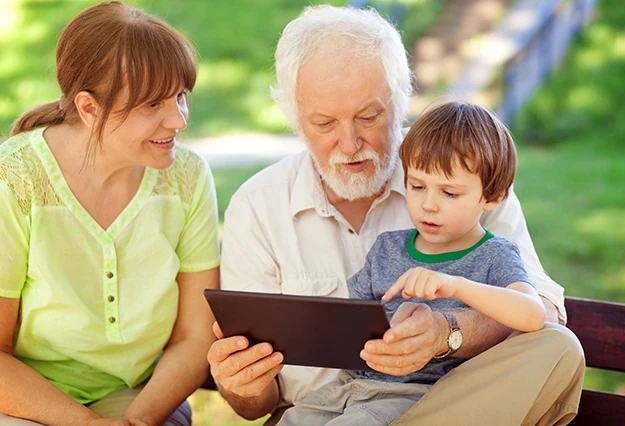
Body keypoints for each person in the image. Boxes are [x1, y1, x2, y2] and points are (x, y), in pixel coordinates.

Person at [207, 5, 584, 426]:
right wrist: (245, 383)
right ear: (295, 121)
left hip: (438, 405)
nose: (349, 144)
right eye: (325, 123)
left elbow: (543, 313)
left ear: (401, 101)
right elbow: (255, 406)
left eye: (369, 116)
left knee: (559, 348)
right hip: (323, 410)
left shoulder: (464, 172)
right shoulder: (258, 206)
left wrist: (448, 332)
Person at [0, 2, 219, 426]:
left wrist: (135, 421)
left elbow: (195, 338)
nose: (178, 119)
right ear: (88, 108)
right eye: (152, 105)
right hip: (23, 400)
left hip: (139, 398)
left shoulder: (189, 178)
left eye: (180, 96)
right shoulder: (14, 179)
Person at [275, 100, 548, 425]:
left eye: (449, 193)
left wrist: (456, 287)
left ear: (492, 196)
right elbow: (351, 318)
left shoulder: (495, 255)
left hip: (413, 398)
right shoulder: (388, 248)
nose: (428, 205)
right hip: (348, 389)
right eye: (417, 186)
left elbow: (533, 314)